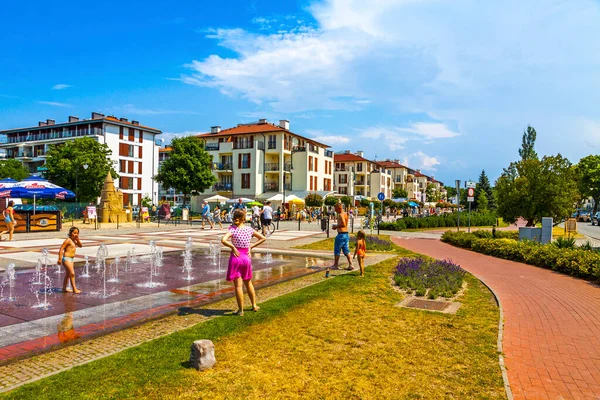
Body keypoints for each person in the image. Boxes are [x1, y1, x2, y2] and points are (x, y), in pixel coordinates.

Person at [221, 209, 266, 316]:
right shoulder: (249, 229)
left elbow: (223, 240)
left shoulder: (232, 229)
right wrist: (251, 246)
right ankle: (254, 305)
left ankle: (240, 310)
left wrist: (232, 247)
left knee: (238, 286)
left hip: (236, 258)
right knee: (248, 283)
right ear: (244, 219)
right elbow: (263, 238)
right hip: (246, 258)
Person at [57, 227, 83, 294]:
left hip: (71, 259)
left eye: (77, 233)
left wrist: (78, 239)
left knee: (68, 275)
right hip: (66, 259)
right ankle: (74, 289)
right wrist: (59, 259)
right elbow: (61, 249)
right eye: (74, 233)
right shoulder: (68, 240)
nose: (76, 234)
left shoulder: (74, 240)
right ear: (70, 233)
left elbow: (80, 245)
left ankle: (64, 289)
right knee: (72, 273)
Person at [330, 203, 354, 270]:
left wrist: (336, 226)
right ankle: (351, 264)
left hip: (341, 235)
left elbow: (343, 223)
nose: (335, 210)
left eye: (336, 209)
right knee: (346, 250)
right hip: (346, 234)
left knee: (337, 250)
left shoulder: (341, 215)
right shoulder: (345, 214)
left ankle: (335, 265)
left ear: (339, 208)